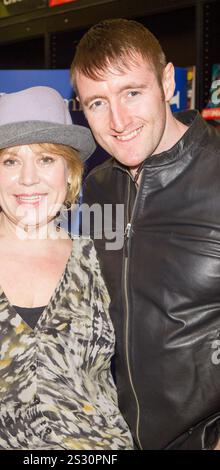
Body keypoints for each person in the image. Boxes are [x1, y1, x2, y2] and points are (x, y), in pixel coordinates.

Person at [0, 86, 133, 450]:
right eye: (11, 161)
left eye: (47, 159)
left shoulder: (101, 259)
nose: (29, 178)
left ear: (69, 173)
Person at [70, 18, 220, 450]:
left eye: (131, 93)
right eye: (96, 103)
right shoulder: (98, 186)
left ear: (167, 82)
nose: (118, 121)